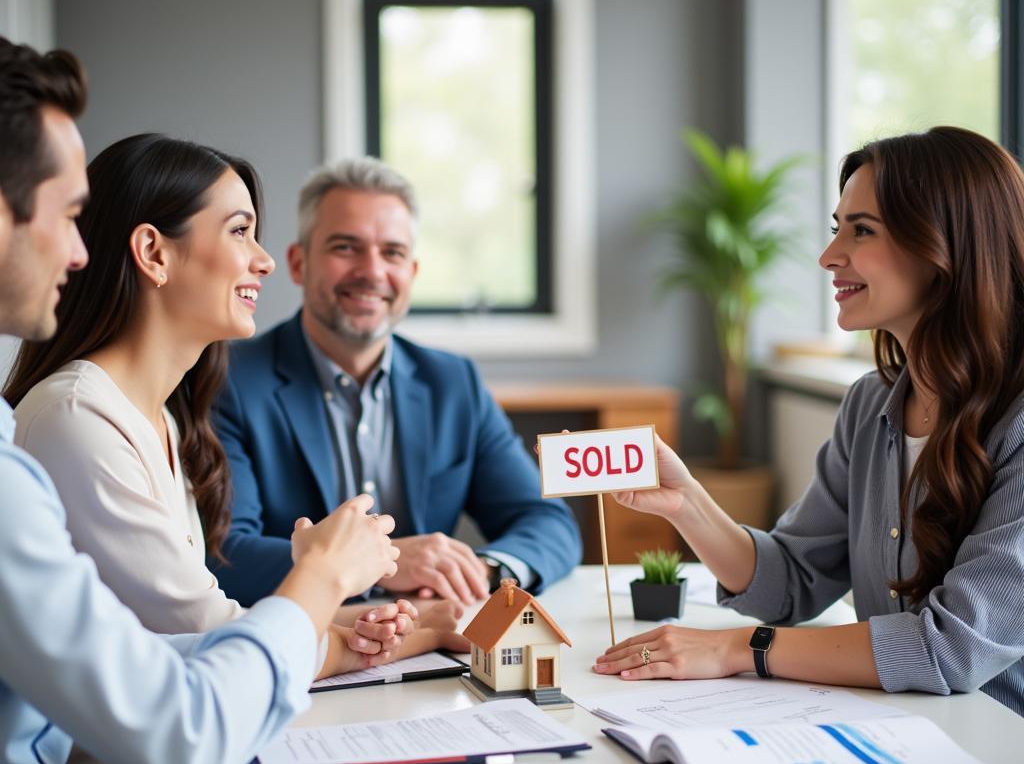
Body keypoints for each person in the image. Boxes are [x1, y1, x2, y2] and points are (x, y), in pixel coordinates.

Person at [0, 36, 398, 764]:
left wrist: (319, 612)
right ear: (153, 253)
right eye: (244, 233)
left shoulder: (166, 419)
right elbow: (195, 677)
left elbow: (166, 647)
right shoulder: (73, 416)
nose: (263, 263)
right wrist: (320, 585)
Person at [595, 126, 1024, 717]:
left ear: (944, 247)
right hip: (899, 738)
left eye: (862, 230)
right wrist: (685, 501)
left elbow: (950, 648)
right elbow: (793, 581)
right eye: (836, 228)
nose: (828, 257)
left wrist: (737, 649)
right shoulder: (868, 407)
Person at [209, 156, 581, 608]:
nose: (373, 271)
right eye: (346, 247)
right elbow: (226, 555)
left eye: (393, 252)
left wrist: (480, 571)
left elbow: (548, 522)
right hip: (308, 649)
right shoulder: (227, 379)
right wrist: (383, 563)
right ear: (298, 263)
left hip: (432, 642)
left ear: (413, 274)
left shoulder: (453, 383)